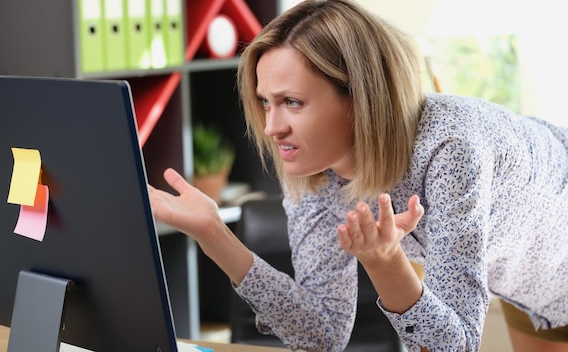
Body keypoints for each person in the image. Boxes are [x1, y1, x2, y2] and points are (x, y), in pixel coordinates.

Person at [148, 0, 568, 351]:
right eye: (265, 102)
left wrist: (386, 264)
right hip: (527, 282)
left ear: (359, 98)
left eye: (291, 102)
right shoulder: (316, 172)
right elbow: (321, 333)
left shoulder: (450, 148)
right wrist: (214, 235)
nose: (272, 127)